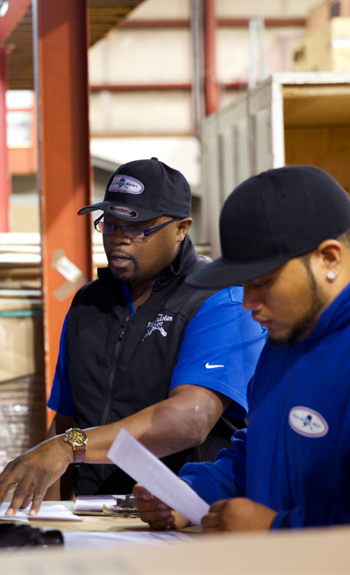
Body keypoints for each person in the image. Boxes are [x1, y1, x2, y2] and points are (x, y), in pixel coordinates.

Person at [0, 158, 266, 516]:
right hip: (97, 514)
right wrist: (50, 514)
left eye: (138, 228)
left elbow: (191, 418)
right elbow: (68, 420)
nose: (119, 239)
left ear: (182, 228)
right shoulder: (89, 304)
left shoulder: (217, 298)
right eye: (111, 225)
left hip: (179, 513)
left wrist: (70, 446)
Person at [135, 165, 350, 531]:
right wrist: (192, 494)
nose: (249, 303)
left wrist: (275, 530)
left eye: (263, 283)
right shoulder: (285, 342)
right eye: (242, 284)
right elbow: (262, 452)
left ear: (329, 258)